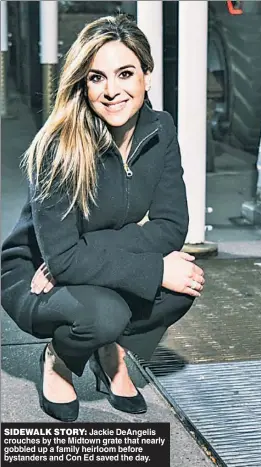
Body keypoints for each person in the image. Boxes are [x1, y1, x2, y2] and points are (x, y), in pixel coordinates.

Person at [1, 14, 205, 423]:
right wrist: (141, 265)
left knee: (182, 282)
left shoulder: (161, 130)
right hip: (32, 274)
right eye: (97, 78)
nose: (112, 91)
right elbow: (62, 257)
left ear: (146, 75)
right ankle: (60, 358)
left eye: (125, 74)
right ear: (82, 83)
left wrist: (83, 254)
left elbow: (171, 226)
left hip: (66, 264)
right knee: (105, 316)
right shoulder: (60, 145)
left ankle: (113, 352)